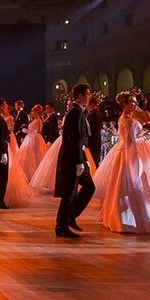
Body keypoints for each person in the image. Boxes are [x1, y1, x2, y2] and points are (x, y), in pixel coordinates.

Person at [98, 92, 150, 234]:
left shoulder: (127, 118)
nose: (135, 104)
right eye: (132, 102)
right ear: (125, 104)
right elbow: (131, 142)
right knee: (131, 185)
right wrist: (147, 134)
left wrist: (143, 131)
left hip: (124, 154)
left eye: (135, 101)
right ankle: (127, 220)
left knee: (121, 185)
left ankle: (118, 217)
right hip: (128, 155)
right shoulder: (127, 121)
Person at [54, 83, 95, 238]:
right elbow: (74, 139)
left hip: (79, 156)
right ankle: (62, 225)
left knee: (87, 187)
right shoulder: (75, 112)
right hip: (73, 158)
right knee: (69, 192)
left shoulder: (79, 112)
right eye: (88, 93)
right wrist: (79, 161)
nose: (89, 96)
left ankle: (70, 216)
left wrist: (84, 159)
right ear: (80, 95)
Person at [17, 104, 48, 180]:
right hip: (30, 138)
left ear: (36, 112)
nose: (31, 112)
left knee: (34, 155)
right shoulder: (34, 120)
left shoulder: (38, 121)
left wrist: (26, 130)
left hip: (34, 139)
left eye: (32, 111)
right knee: (29, 155)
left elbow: (37, 131)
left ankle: (34, 174)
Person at [86, 97, 103, 167]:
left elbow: (89, 129)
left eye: (87, 103)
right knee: (95, 160)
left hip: (92, 141)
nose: (86, 105)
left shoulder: (92, 114)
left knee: (92, 160)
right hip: (96, 139)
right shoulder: (97, 113)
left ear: (92, 104)